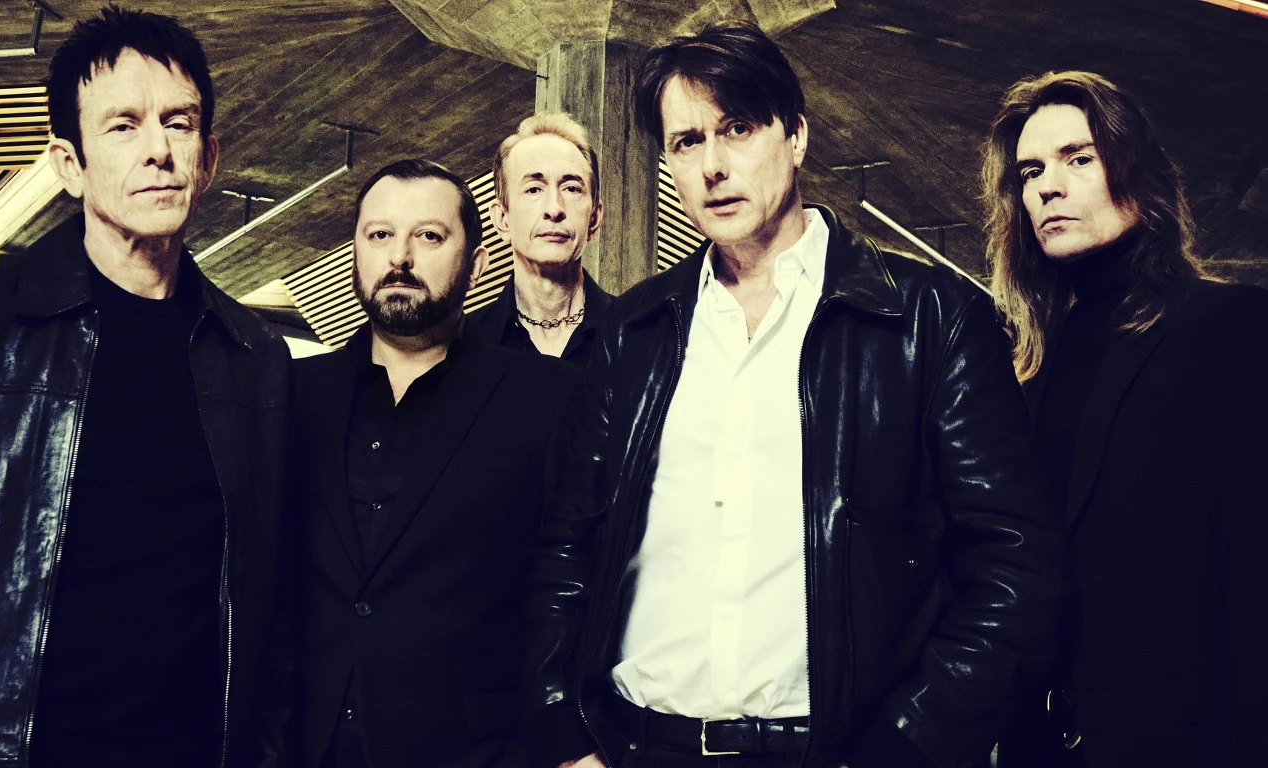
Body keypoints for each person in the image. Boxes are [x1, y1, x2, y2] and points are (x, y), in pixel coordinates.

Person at [523, 22, 1061, 768]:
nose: (713, 165)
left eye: (738, 129)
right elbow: (567, 548)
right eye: (686, 142)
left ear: (797, 136)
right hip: (638, 743)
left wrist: (907, 746)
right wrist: (564, 735)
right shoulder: (635, 331)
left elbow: (1014, 567)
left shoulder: (930, 318)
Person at [0, 7, 291, 767]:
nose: (159, 150)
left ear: (208, 158)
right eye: (123, 125)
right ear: (69, 163)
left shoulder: (256, 357)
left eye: (179, 123)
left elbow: (273, 602)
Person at [984, 71, 1268, 768]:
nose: (1048, 187)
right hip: (1043, 748)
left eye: (1078, 159)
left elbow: (1256, 577)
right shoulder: (1028, 370)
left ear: (1139, 177)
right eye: (1030, 171)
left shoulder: (1226, 327)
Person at [289, 159, 580, 768]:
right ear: (355, 253)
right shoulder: (291, 394)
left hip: (470, 752)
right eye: (379, 235)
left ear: (476, 263)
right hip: (302, 747)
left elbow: (563, 586)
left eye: (428, 235)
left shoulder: (546, 398)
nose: (400, 257)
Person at [471, 113, 613, 366]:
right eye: (534, 189)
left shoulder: (635, 334)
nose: (554, 208)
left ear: (593, 219)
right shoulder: (463, 345)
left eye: (571, 188)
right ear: (502, 219)